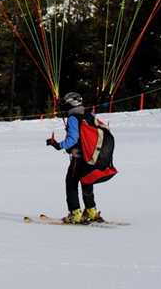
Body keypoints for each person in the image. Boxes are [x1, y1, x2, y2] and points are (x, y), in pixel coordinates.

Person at [46, 91, 104, 224]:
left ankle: (75, 213)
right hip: (91, 157)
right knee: (86, 182)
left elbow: (73, 139)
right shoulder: (89, 114)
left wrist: (58, 145)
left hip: (78, 158)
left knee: (71, 183)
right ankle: (91, 211)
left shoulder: (73, 118)